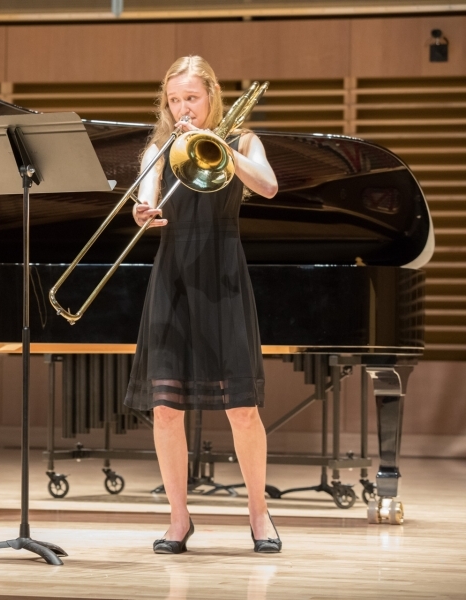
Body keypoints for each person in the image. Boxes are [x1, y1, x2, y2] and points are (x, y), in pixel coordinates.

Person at [124, 57, 281, 554]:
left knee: (242, 409)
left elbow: (268, 186)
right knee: (165, 409)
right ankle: (178, 519)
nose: (182, 108)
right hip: (174, 276)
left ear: (211, 96)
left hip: (223, 274)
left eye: (191, 98)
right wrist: (143, 211)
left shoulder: (243, 142)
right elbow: (146, 197)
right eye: (174, 100)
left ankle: (258, 515)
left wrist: (221, 147)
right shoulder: (159, 148)